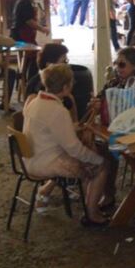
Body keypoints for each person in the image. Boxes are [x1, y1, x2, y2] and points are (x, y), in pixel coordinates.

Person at [23, 64, 111, 226]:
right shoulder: (58, 110)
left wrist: (77, 125)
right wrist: (96, 159)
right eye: (71, 83)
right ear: (65, 87)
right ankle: (92, 213)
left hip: (30, 158)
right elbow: (74, 149)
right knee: (101, 165)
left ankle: (89, 204)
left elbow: (53, 128)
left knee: (90, 159)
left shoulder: (34, 102)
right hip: (45, 163)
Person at [24, 43, 94, 121]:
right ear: (50, 65)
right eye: (64, 61)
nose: (67, 65)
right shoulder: (37, 90)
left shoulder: (64, 95)